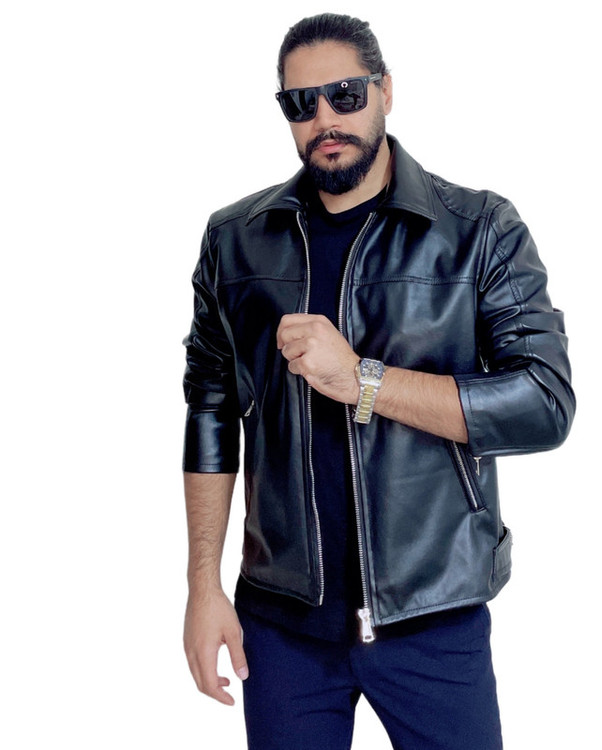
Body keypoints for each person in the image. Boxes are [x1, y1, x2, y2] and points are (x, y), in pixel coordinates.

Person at [182, 13, 574, 750]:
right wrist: (203, 584)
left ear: (385, 90)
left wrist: (363, 380)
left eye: (345, 94)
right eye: (300, 104)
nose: (324, 120)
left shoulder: (477, 230)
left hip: (434, 616)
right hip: (281, 624)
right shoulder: (235, 241)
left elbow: (544, 404)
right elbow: (209, 408)